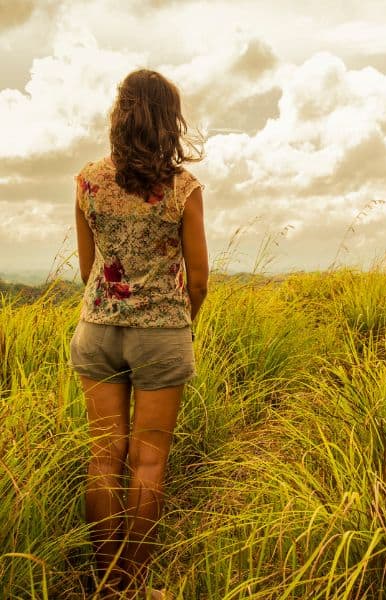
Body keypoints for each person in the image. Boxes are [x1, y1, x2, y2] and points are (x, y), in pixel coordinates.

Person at [69, 69, 209, 599]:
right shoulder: (184, 188)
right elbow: (198, 278)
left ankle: (102, 583)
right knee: (149, 460)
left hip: (98, 329)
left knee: (104, 454)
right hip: (161, 334)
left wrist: (111, 305)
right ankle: (133, 583)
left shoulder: (87, 181)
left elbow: (89, 270)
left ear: (121, 116)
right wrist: (180, 322)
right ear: (167, 120)